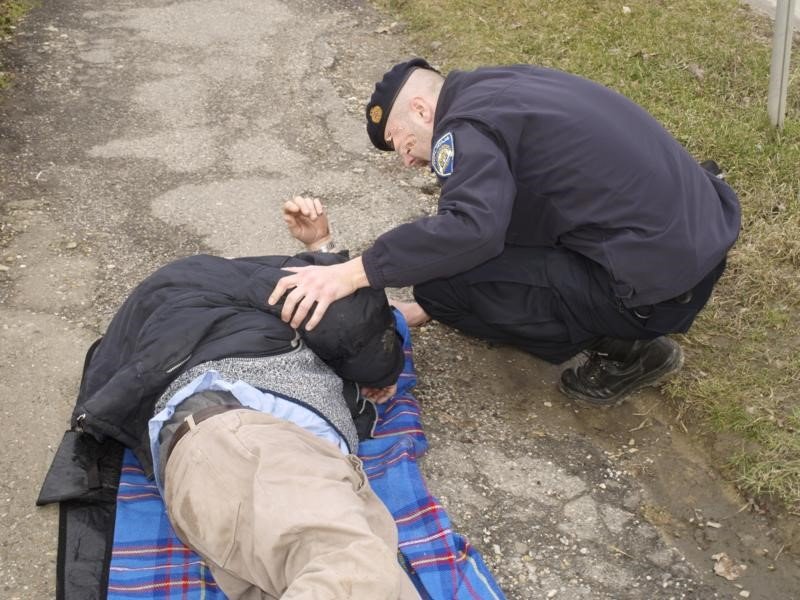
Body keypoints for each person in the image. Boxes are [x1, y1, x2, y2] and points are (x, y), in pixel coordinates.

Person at [267, 59, 741, 407]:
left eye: (401, 141)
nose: (408, 159)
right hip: (690, 240)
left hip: (655, 290)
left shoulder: (464, 126)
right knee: (461, 256)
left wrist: (354, 272)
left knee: (443, 287)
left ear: (422, 110)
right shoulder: (497, 86)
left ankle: (631, 349)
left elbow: (472, 227)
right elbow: (512, 206)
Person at [38, 203, 421, 600]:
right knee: (358, 574)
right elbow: (364, 338)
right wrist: (328, 255)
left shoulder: (183, 312)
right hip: (245, 441)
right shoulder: (260, 303)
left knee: (364, 575)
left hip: (232, 457)